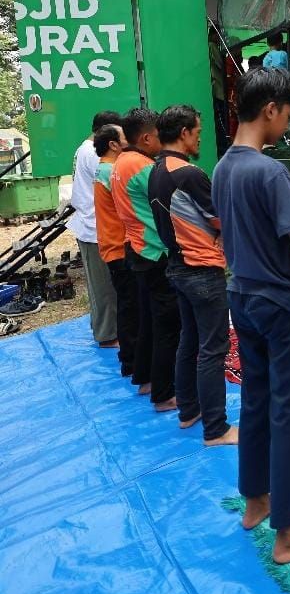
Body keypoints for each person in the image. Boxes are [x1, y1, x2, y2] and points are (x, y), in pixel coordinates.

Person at [211, 68, 290, 565]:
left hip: (241, 296)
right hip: (281, 305)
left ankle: (255, 501)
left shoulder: (221, 168)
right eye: (287, 114)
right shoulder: (271, 171)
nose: (288, 124)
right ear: (270, 110)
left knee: (256, 402)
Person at [148, 105, 236, 446]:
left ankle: (189, 410)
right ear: (184, 133)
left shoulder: (158, 169)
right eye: (198, 132)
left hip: (180, 268)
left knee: (190, 341)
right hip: (201, 270)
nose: (200, 138)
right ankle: (216, 428)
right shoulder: (188, 173)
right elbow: (219, 218)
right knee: (213, 349)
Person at [112, 108, 177, 407]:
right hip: (153, 249)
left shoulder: (120, 161)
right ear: (147, 137)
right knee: (166, 324)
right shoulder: (143, 166)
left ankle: (146, 379)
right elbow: (170, 198)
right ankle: (164, 394)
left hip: (136, 246)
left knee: (149, 318)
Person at [69, 111, 122, 349]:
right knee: (104, 288)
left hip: (90, 224)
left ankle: (102, 327)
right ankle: (108, 335)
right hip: (95, 227)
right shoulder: (93, 154)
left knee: (99, 285)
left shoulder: (84, 148)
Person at [92, 123, 138, 378]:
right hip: (120, 247)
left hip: (113, 245)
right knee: (131, 306)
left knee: (127, 303)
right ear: (112, 144)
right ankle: (131, 360)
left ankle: (129, 357)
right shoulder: (112, 171)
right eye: (124, 136)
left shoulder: (104, 169)